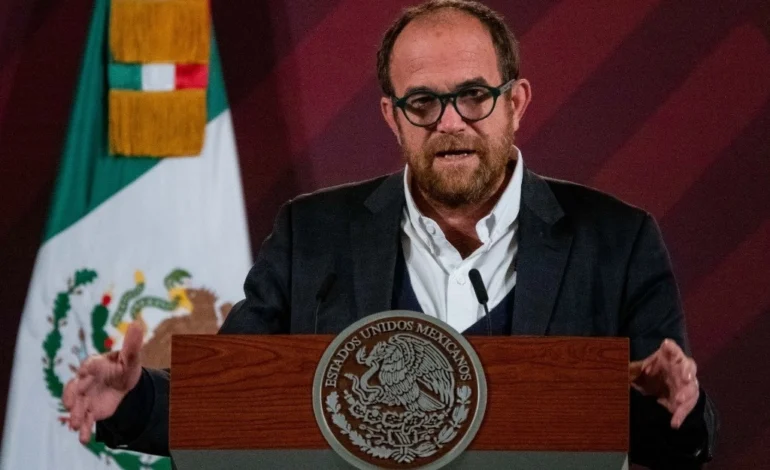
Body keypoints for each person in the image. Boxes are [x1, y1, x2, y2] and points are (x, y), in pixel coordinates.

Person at [63, 1, 718, 467]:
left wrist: (673, 407)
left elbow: (682, 438)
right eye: (422, 102)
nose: (451, 123)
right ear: (391, 117)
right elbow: (233, 405)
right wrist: (132, 400)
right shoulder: (312, 234)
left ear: (516, 103)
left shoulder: (618, 240)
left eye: (474, 96)